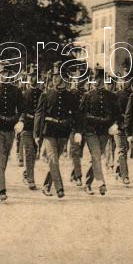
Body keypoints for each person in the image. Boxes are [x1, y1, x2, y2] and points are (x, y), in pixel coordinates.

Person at [35, 66, 80, 198]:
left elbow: (76, 115)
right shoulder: (46, 94)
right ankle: (59, 188)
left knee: (54, 161)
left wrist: (77, 131)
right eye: (53, 76)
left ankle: (46, 185)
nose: (54, 78)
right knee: (53, 159)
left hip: (63, 132)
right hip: (49, 131)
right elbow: (39, 114)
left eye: (57, 76)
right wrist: (37, 133)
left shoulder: (70, 96)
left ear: (64, 78)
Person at [78, 67, 118, 195]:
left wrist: (115, 124)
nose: (95, 80)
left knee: (97, 159)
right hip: (91, 132)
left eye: (97, 78)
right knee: (96, 156)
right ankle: (101, 183)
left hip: (104, 132)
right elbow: (82, 114)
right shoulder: (87, 96)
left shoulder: (111, 96)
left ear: (102, 79)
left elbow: (116, 114)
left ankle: (87, 183)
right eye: (94, 78)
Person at [0, 62, 23, 202]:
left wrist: (19, 121)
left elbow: (22, 109)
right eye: (2, 73)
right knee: (0, 155)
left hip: (10, 128)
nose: (5, 75)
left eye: (7, 73)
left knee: (5, 157)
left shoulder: (16, 91)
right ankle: (2, 189)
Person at [18, 66, 43, 190]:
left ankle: (27, 173)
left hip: (37, 129)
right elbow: (20, 111)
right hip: (27, 127)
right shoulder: (24, 94)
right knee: (29, 152)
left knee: (34, 154)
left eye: (34, 76)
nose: (32, 79)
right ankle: (31, 180)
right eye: (30, 76)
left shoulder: (42, 94)